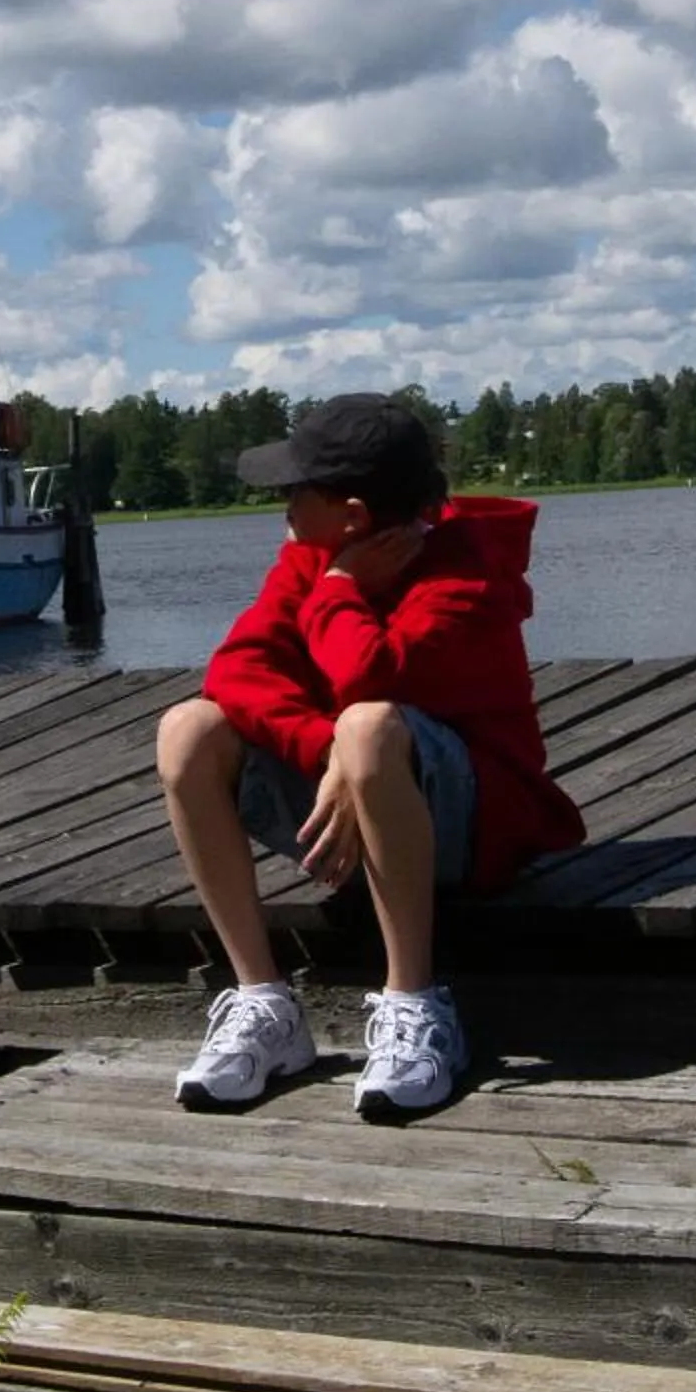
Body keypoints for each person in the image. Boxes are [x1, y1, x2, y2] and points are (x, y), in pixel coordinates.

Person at [157, 392, 584, 1122]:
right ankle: (265, 1004)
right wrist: (331, 758)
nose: (282, 505)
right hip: (355, 811)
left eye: (295, 490)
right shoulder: (309, 558)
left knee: (370, 727)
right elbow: (235, 670)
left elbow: (371, 678)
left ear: (351, 514)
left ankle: (414, 1004)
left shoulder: (468, 576)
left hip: (476, 834)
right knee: (188, 728)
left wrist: (340, 594)